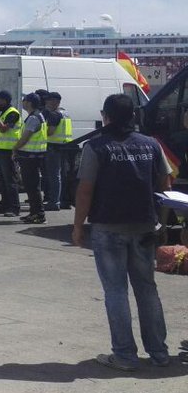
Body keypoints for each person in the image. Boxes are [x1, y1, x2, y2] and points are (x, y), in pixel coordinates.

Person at [73, 93, 173, 371]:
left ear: (105, 116)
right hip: (144, 225)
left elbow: (85, 189)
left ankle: (125, 356)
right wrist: (163, 223)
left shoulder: (96, 147)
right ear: (133, 116)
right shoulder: (151, 145)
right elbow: (165, 185)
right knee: (147, 289)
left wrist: (78, 225)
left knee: (116, 291)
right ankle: (159, 353)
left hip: (108, 227)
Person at [14, 93, 48, 224]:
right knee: (31, 186)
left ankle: (39, 214)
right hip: (33, 155)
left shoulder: (34, 118)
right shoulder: (36, 116)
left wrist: (15, 148)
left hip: (31, 156)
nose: (22, 102)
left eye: (24, 100)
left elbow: (25, 137)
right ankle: (34, 213)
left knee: (32, 186)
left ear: (29, 102)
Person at [0, 90, 22, 216]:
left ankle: (14, 207)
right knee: (1, 179)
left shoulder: (12, 113)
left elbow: (3, 129)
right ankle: (4, 204)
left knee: (10, 180)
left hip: (8, 150)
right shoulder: (0, 112)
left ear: (5, 100)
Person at [43, 92, 76, 211]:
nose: (46, 103)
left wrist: (40, 131)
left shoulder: (54, 114)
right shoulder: (65, 113)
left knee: (54, 176)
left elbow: (50, 132)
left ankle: (54, 202)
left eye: (48, 101)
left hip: (54, 147)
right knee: (62, 175)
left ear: (55, 101)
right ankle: (63, 201)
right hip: (65, 146)